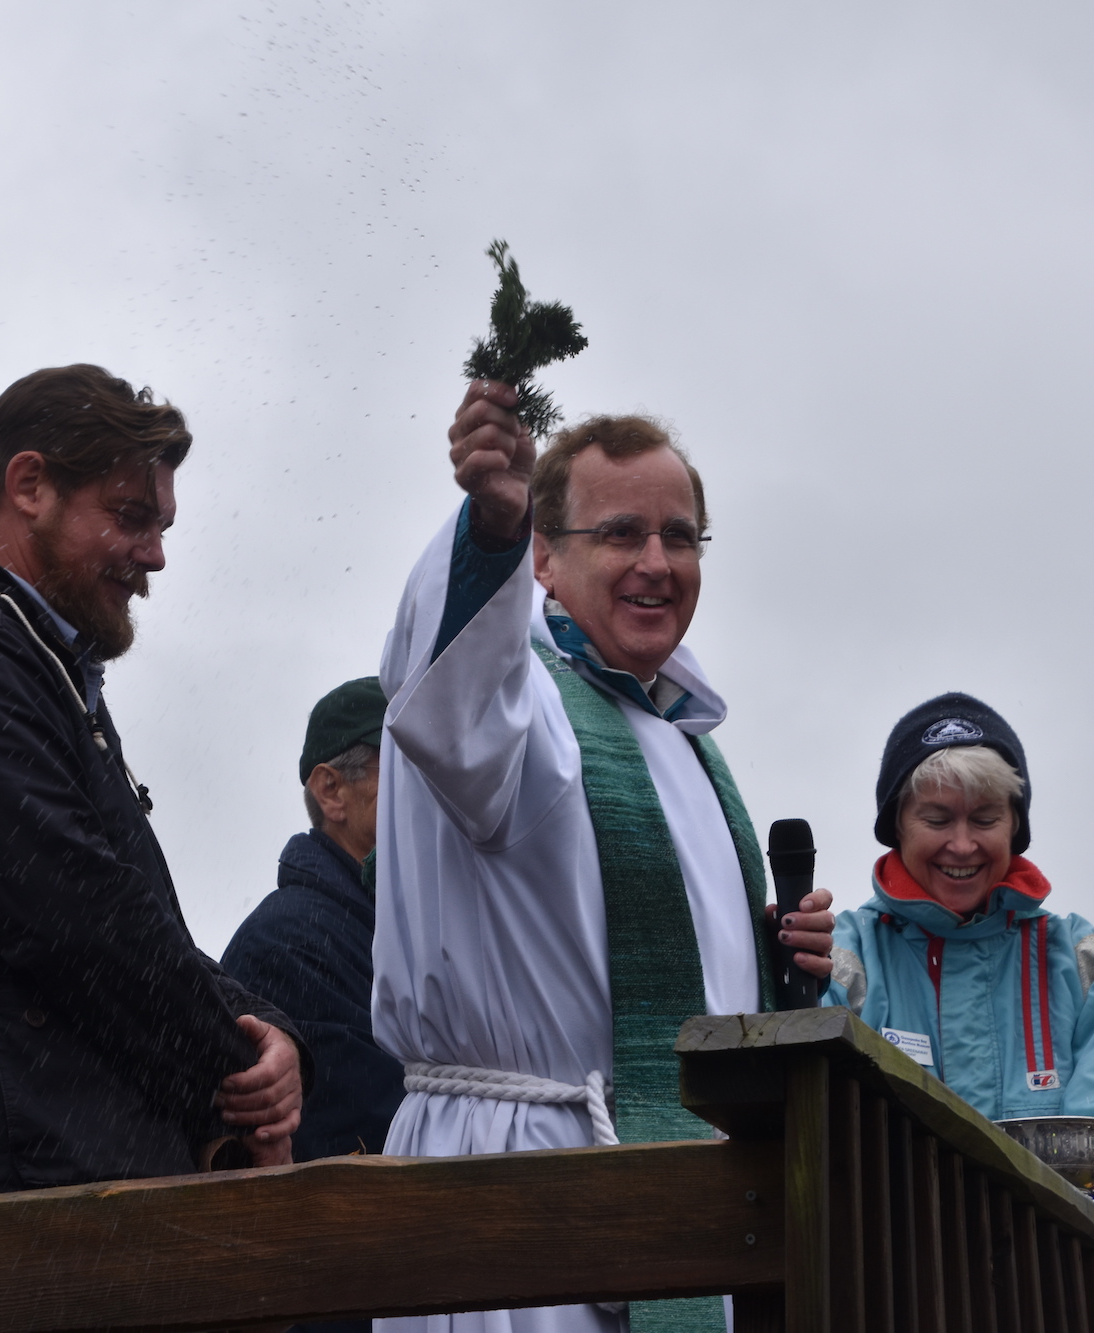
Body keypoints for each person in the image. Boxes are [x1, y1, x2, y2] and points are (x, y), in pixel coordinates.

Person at [372, 383, 837, 1333]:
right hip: (519, 1180)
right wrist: (489, 525)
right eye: (621, 533)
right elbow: (443, 694)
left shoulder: (686, 737)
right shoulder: (520, 700)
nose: (657, 563)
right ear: (544, 556)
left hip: (674, 1190)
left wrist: (779, 963)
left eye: (681, 536)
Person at [0, 364, 306, 1201]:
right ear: (30, 485)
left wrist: (277, 1037)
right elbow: (77, 914)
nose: (154, 556)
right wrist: (240, 1065)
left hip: (75, 1187)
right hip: (18, 1205)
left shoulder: (31, 667)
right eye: (130, 517)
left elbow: (128, 922)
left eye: (162, 526)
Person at [824, 692, 1094, 1190]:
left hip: (1053, 1265)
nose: (963, 844)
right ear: (896, 826)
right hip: (887, 1262)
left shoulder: (1086, 965)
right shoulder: (840, 958)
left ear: (1015, 826)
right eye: (937, 819)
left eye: (986, 819)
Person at [223, 677, 404, 1165]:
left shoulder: (417, 927)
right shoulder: (289, 945)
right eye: (410, 764)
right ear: (332, 791)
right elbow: (368, 1143)